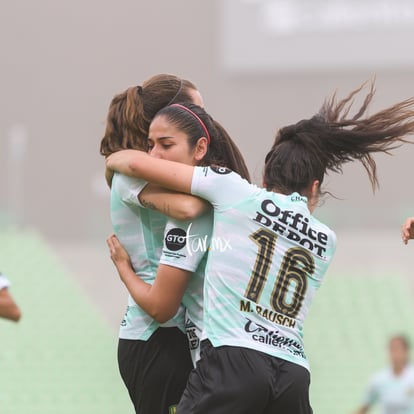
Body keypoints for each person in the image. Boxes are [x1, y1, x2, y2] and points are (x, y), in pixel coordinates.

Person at [106, 82, 414, 413]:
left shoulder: (235, 195)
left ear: (264, 179)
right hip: (293, 370)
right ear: (315, 187)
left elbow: (141, 170)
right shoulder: (327, 239)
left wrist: (113, 162)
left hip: (233, 359)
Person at [101, 76, 250, 413]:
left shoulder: (142, 170)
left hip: (175, 333)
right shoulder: (132, 175)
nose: (203, 120)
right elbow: (190, 209)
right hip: (155, 333)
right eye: (194, 109)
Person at [354, 335, 414, 414]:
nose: (395, 353)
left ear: (406, 351)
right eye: (392, 349)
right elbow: (365, 405)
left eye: (398, 349)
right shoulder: (379, 379)